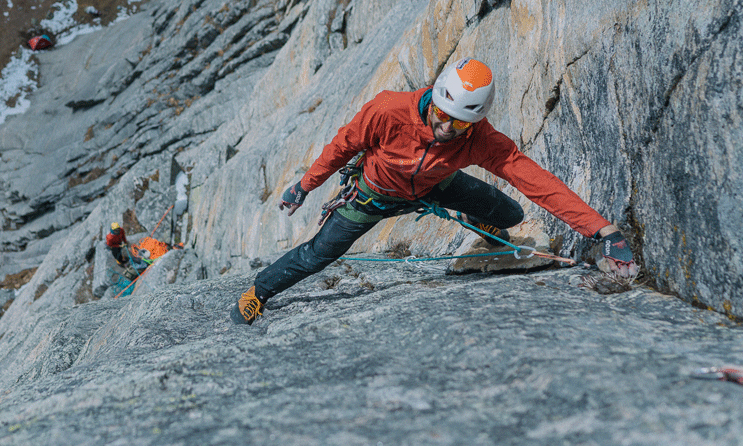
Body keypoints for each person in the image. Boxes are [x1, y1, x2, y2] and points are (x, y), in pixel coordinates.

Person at [231, 57, 638, 325]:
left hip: (433, 187)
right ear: (436, 98)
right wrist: (303, 187)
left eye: (459, 124)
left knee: (510, 215)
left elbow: (535, 180)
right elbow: (343, 146)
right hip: (372, 195)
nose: (447, 128)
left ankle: (474, 219)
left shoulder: (478, 138)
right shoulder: (388, 110)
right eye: (443, 115)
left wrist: (603, 231)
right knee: (319, 253)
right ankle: (258, 291)